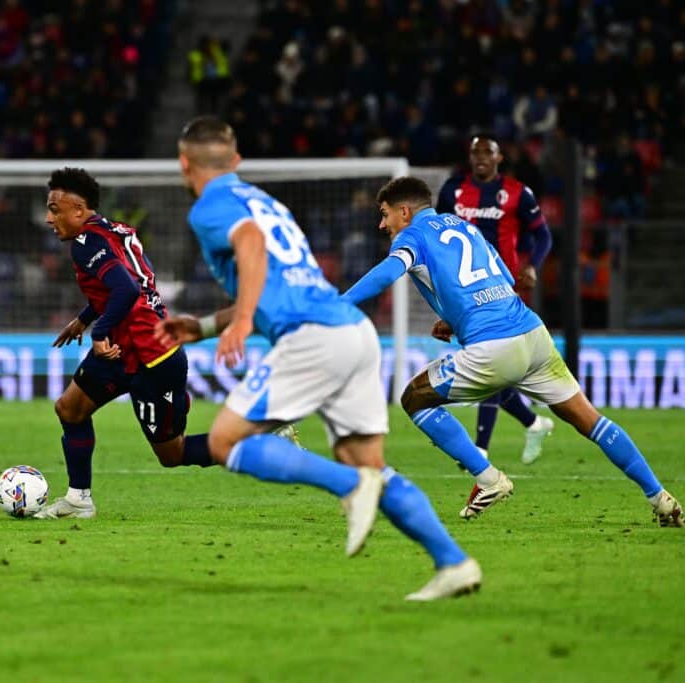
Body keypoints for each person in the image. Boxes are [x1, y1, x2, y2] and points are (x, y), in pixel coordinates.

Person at [156, 117, 481, 600]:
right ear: (237, 160)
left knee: (225, 441)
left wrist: (241, 320)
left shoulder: (211, 206)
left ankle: (348, 485)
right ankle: (453, 562)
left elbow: (250, 245)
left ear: (185, 163)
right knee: (373, 466)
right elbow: (277, 280)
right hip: (352, 331)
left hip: (311, 338)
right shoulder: (266, 202)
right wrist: (205, 326)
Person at [342, 176, 683, 526]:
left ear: (404, 212)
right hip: (533, 335)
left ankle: (488, 478)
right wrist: (456, 319)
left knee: (415, 398)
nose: (382, 224)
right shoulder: (464, 225)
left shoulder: (411, 236)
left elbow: (387, 273)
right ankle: (660, 497)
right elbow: (504, 276)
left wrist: (340, 304)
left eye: (385, 214)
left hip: (494, 346)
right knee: (591, 421)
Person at [35, 168, 214, 520]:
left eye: (55, 209)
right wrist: (85, 318)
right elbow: (126, 283)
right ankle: (78, 500)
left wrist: (98, 332)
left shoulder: (85, 243)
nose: (49, 218)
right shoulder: (117, 230)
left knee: (172, 455)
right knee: (70, 409)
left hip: (153, 357)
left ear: (79, 209)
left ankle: (255, 443)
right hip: (122, 350)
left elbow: (127, 289)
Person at [437, 135, 554, 466]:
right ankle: (533, 423)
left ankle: (481, 449)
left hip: (503, 286)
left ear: (499, 157)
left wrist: (533, 265)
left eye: (487, 152)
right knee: (490, 364)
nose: (481, 157)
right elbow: (438, 233)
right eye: (475, 152)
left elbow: (543, 234)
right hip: (463, 288)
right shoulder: (452, 191)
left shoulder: (517, 192)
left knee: (486, 358)